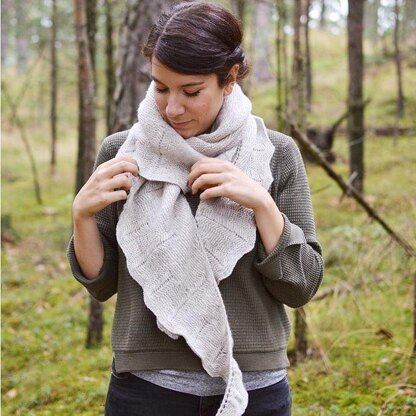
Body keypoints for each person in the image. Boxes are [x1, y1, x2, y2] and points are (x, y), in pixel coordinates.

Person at [67, 2, 324, 416]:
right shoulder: (122, 153)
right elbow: (102, 283)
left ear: (229, 79)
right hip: (146, 390)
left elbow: (302, 285)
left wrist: (260, 203)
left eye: (190, 91)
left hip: (255, 390)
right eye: (160, 88)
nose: (172, 108)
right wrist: (81, 215)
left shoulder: (275, 154)